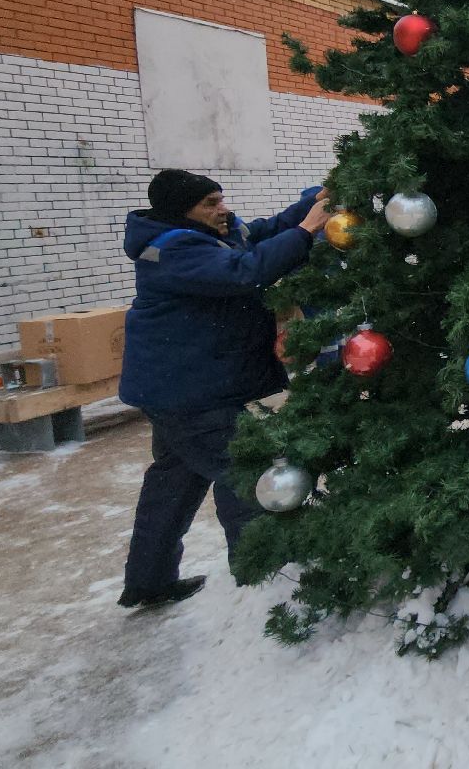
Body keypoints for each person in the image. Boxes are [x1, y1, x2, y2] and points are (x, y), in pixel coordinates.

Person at [116, 169, 330, 609]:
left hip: (177, 389)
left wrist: (316, 203)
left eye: (221, 199)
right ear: (182, 211)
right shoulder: (174, 250)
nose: (224, 210)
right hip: (196, 394)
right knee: (247, 477)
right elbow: (245, 271)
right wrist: (311, 229)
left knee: (173, 484)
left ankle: (148, 580)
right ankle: (265, 584)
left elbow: (265, 231)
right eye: (210, 204)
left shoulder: (208, 234)